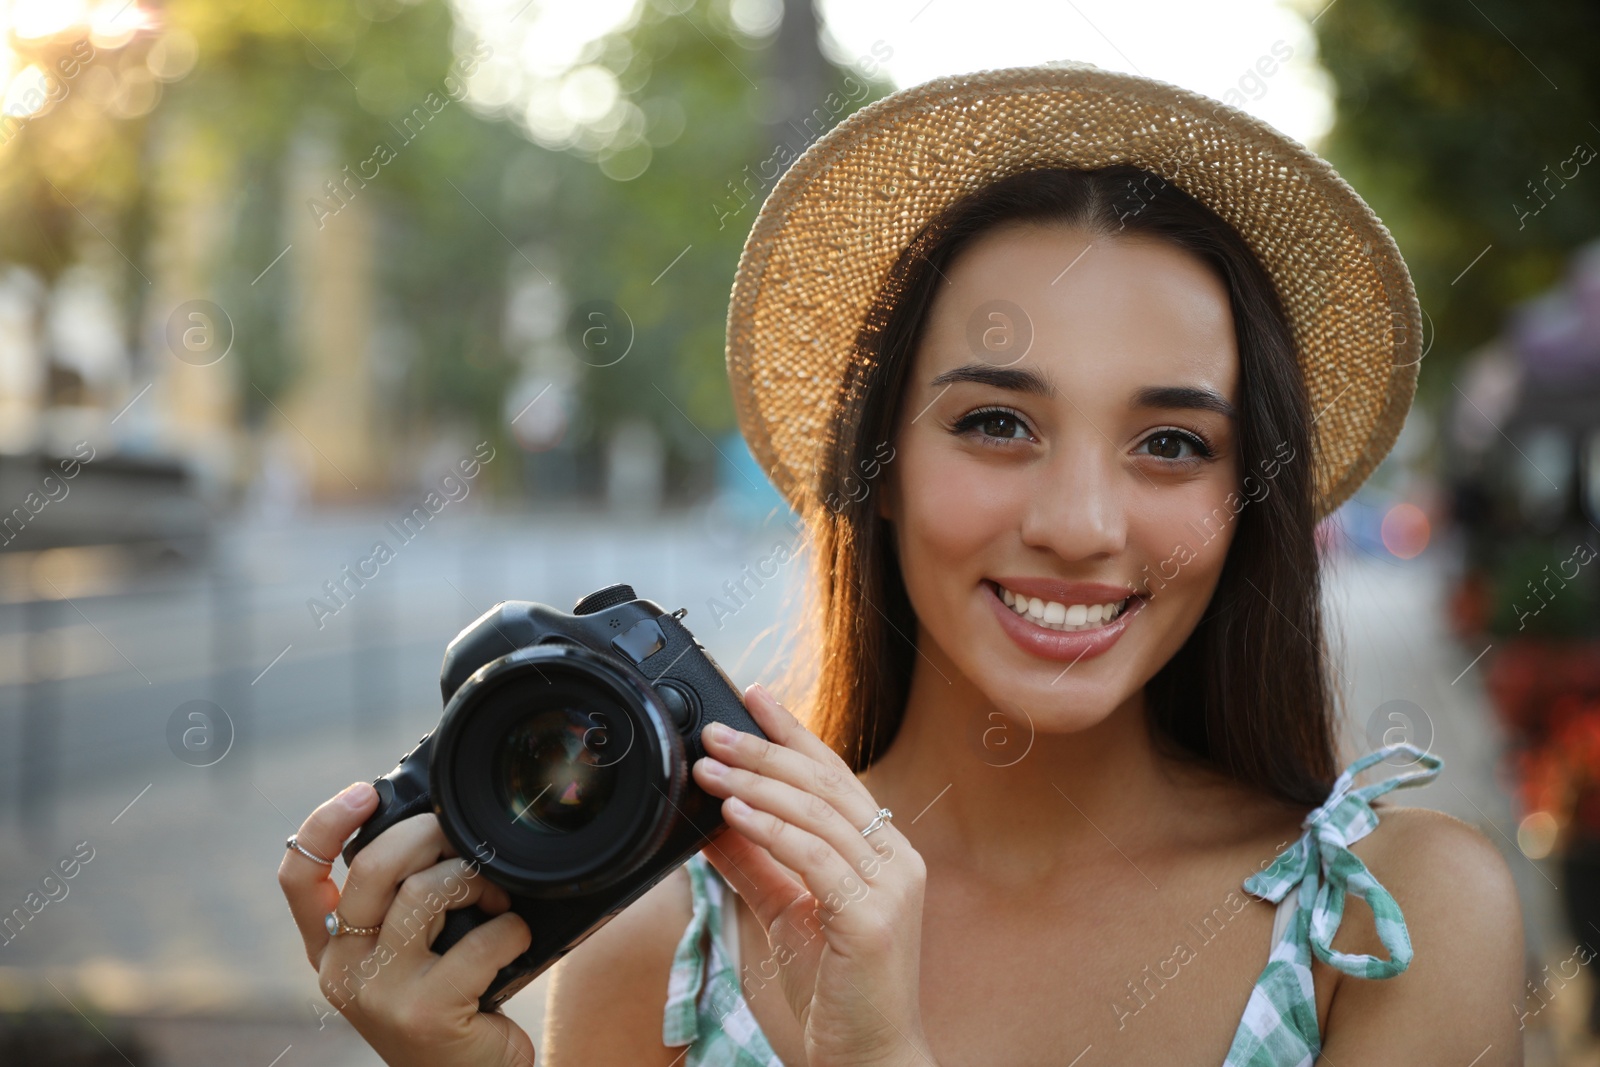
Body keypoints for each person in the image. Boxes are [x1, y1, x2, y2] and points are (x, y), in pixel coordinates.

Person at [278, 63, 1525, 1066]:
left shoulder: (1387, 922)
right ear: (875, 469)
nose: (1083, 522)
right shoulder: (653, 956)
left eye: (1170, 442)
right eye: (995, 422)